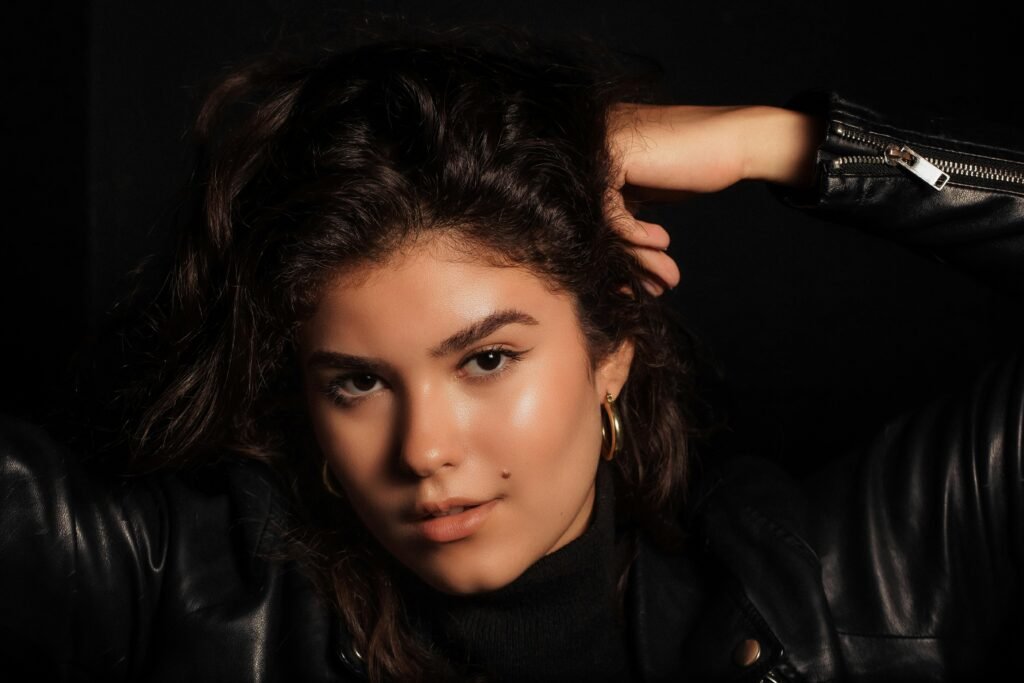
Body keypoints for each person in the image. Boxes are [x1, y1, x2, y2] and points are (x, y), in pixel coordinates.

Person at [1, 33, 1022, 682]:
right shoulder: (168, 584)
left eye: (486, 358)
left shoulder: (857, 593)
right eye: (357, 380)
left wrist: (786, 142)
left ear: (611, 347)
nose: (424, 448)